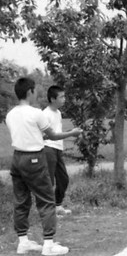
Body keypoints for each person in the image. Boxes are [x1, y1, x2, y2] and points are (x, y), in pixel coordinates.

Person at [6, 77, 81, 256]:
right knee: (46, 199)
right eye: (35, 90)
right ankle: (48, 244)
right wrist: (72, 133)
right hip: (34, 158)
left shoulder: (10, 114)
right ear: (30, 92)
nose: (37, 93)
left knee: (21, 200)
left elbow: (32, 135)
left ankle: (23, 241)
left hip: (17, 159)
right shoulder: (36, 113)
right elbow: (52, 136)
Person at [43, 85, 80, 216]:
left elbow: (57, 133)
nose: (64, 99)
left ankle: (57, 206)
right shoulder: (45, 114)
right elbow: (45, 135)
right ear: (52, 99)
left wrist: (71, 132)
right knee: (49, 182)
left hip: (58, 149)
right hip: (48, 149)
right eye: (62, 96)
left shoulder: (58, 113)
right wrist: (70, 134)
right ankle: (48, 211)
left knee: (63, 179)